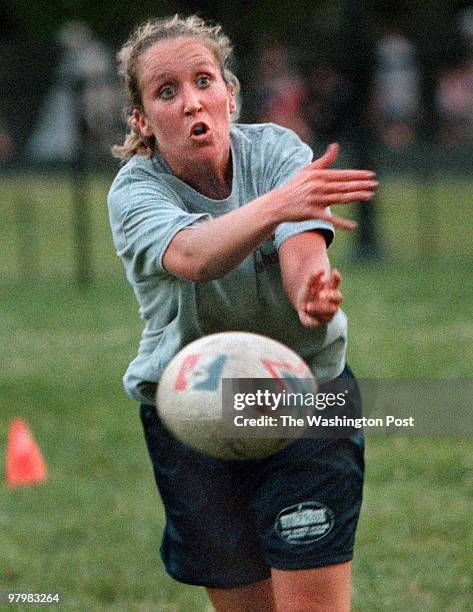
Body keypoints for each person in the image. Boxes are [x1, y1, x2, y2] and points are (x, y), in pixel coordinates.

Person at [108, 14, 378, 611]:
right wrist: (277, 205)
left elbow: (301, 253)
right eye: (166, 91)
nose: (190, 102)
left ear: (230, 93)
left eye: (204, 81)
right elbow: (193, 256)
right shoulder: (135, 192)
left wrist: (313, 292)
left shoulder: (279, 151)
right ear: (142, 119)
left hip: (308, 396)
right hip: (193, 414)